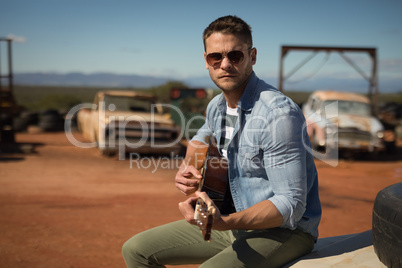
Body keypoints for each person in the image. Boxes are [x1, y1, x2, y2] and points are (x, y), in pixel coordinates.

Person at [122, 15, 321, 268]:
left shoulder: (278, 115)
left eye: (235, 56)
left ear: (253, 56)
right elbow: (199, 139)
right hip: (230, 221)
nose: (225, 64)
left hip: (284, 231)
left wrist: (226, 222)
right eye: (215, 57)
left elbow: (291, 204)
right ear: (206, 61)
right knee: (136, 251)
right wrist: (187, 170)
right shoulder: (217, 107)